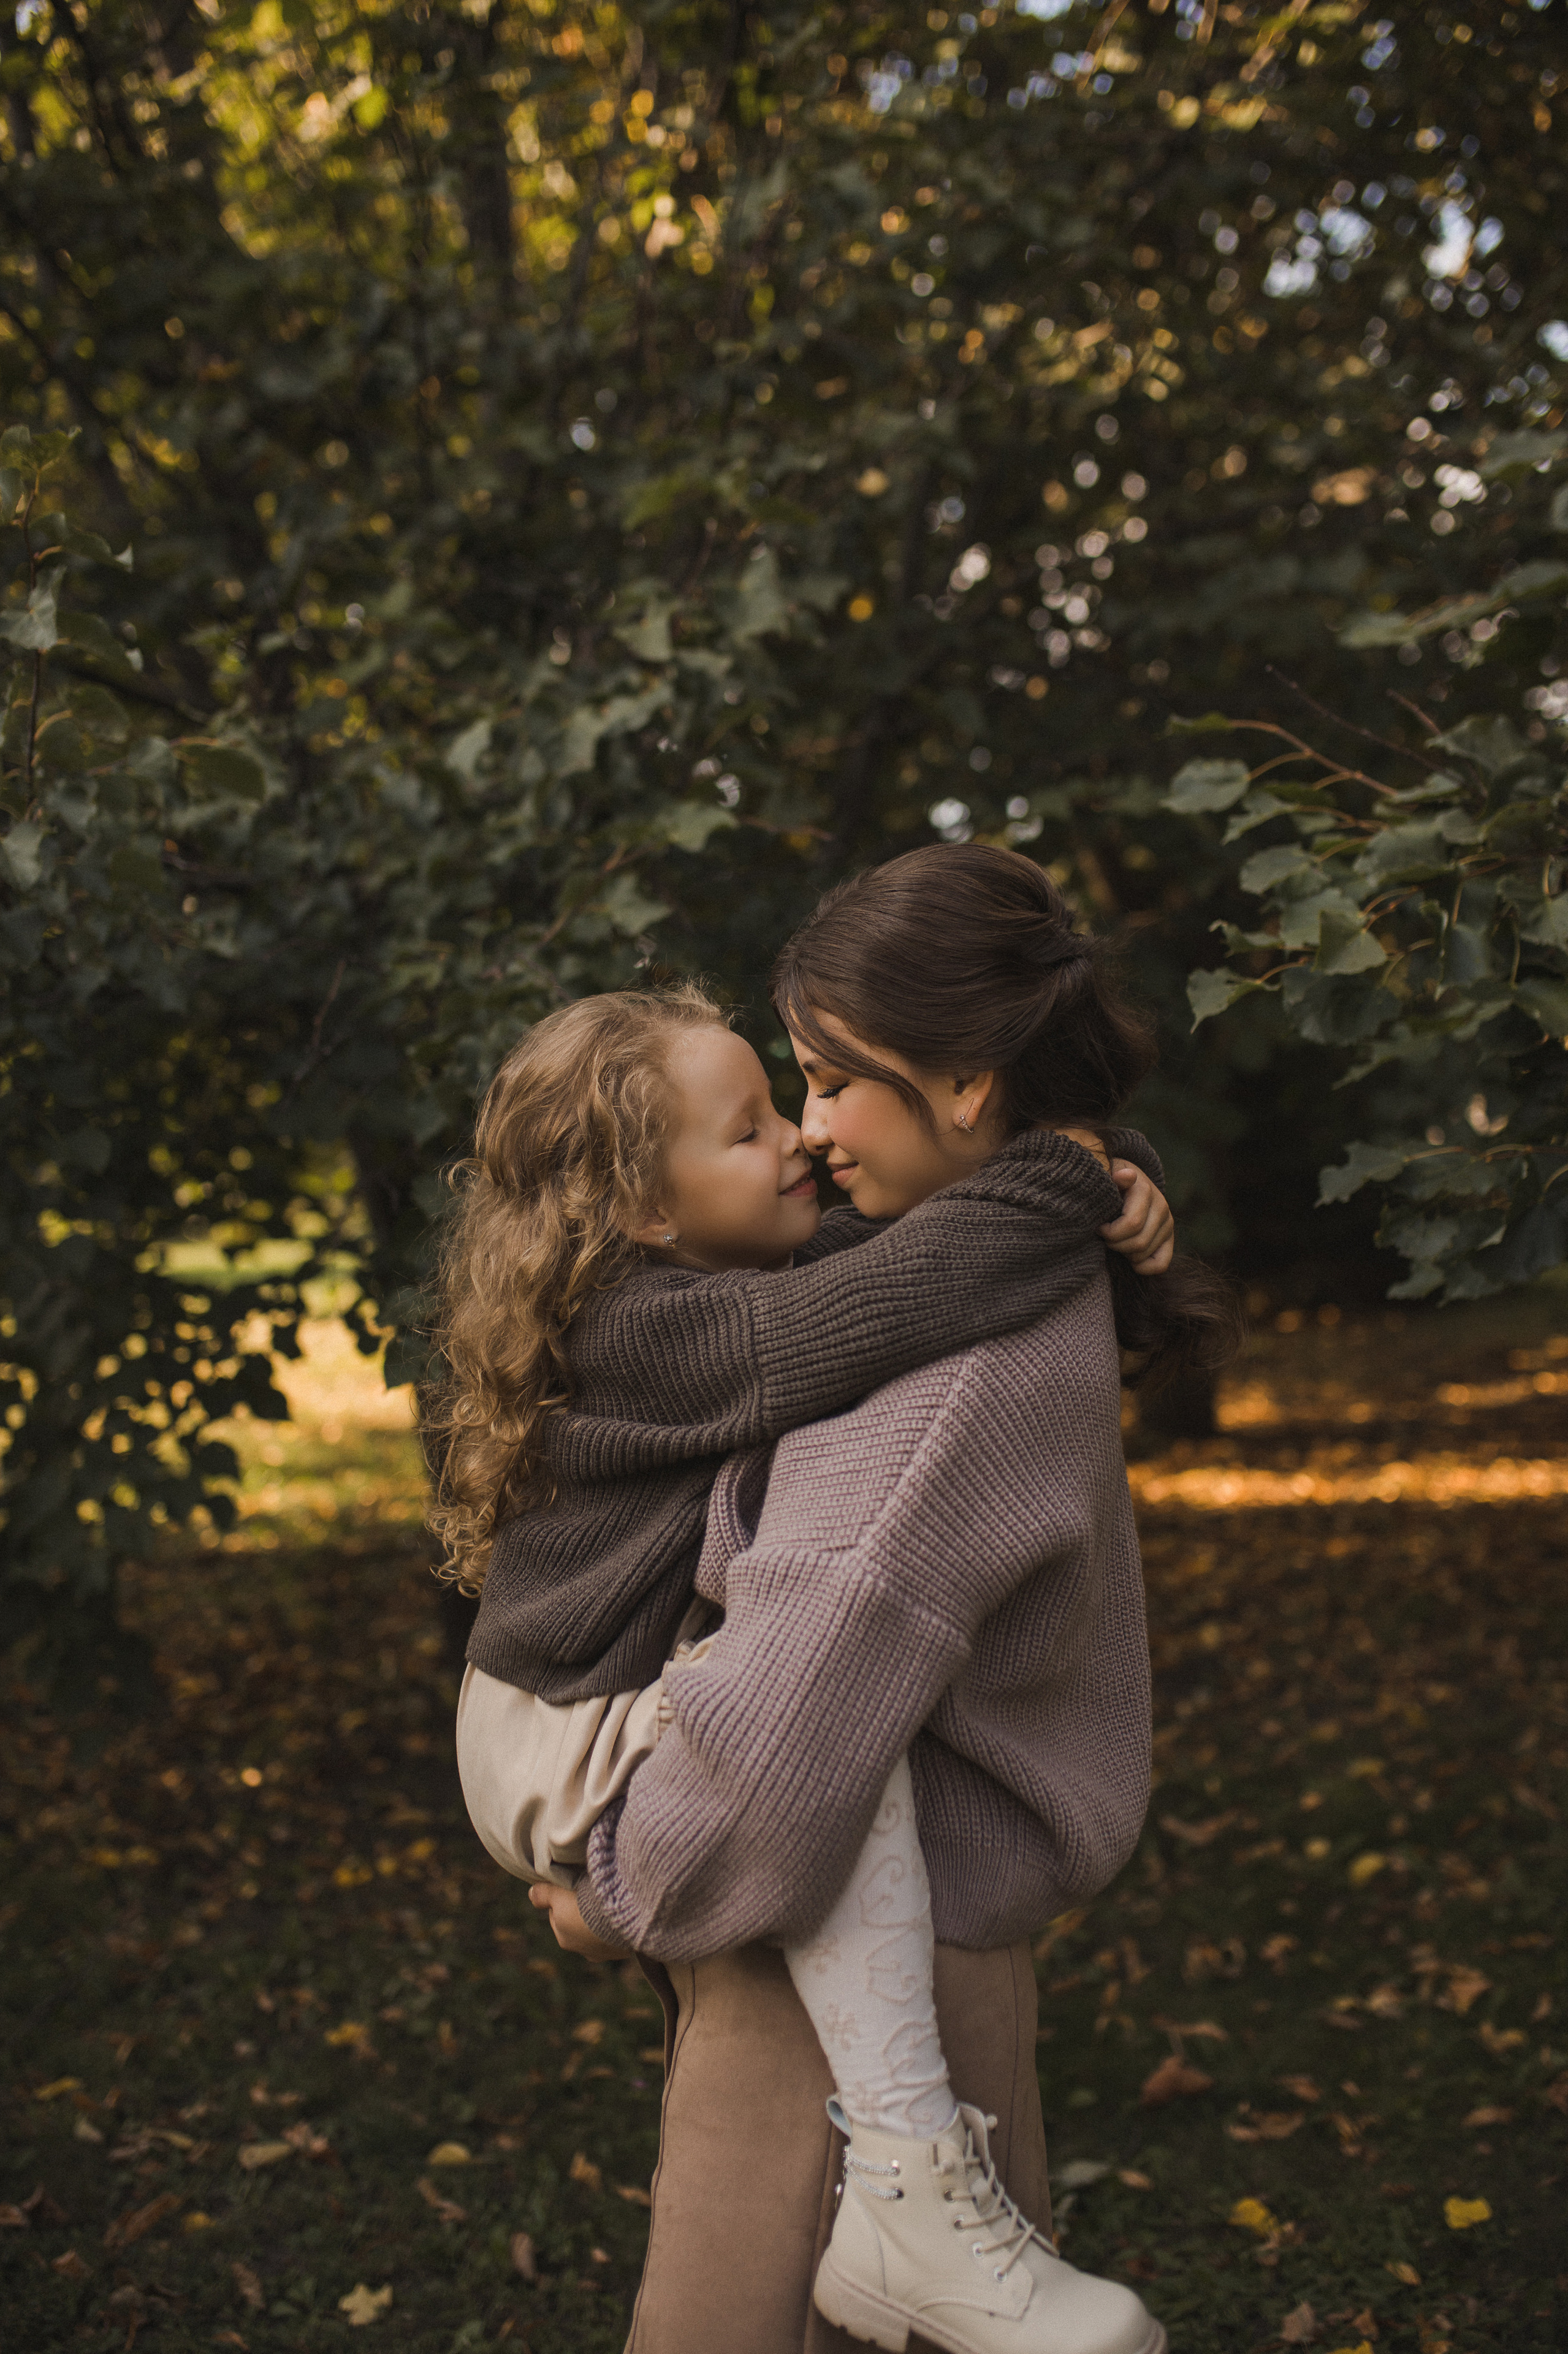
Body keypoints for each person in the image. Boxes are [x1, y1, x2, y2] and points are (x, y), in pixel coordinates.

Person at [424, 928, 1182, 2351]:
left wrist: (1098, 1164)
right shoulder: (661, 1328)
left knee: (840, 1728)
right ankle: (905, 2167)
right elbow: (893, 1288)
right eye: (763, 1120)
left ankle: (914, 2193)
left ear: (966, 1085)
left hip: (611, 1720)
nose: (804, 1139)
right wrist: (1075, 1172)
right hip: (558, 1726)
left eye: (814, 1091)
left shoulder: (720, 1271)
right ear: (647, 1213)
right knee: (841, 1734)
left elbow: (917, 1249)